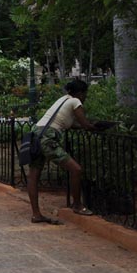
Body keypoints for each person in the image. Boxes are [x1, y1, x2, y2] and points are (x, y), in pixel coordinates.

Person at [27, 79, 101, 224]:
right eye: (85, 93)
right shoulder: (75, 102)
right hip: (48, 138)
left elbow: (69, 123)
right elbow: (84, 123)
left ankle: (36, 214)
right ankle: (77, 205)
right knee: (76, 170)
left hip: (36, 134)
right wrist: (96, 127)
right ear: (80, 93)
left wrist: (85, 126)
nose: (85, 97)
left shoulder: (63, 99)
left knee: (33, 176)